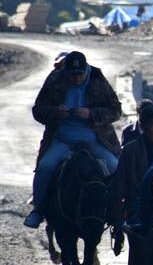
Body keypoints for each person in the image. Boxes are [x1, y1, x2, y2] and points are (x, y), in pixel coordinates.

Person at [25, 51, 122, 229]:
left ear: (86, 70)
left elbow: (116, 110)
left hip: (95, 139)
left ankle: (117, 211)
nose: (77, 78)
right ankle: (38, 209)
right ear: (65, 73)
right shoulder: (55, 80)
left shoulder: (98, 79)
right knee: (45, 167)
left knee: (115, 165)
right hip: (62, 139)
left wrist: (91, 114)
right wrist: (56, 112)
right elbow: (38, 109)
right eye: (72, 75)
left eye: (80, 74)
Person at [111, 103, 153, 232]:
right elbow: (120, 183)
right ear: (142, 126)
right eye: (152, 127)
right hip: (136, 208)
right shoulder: (130, 150)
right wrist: (117, 222)